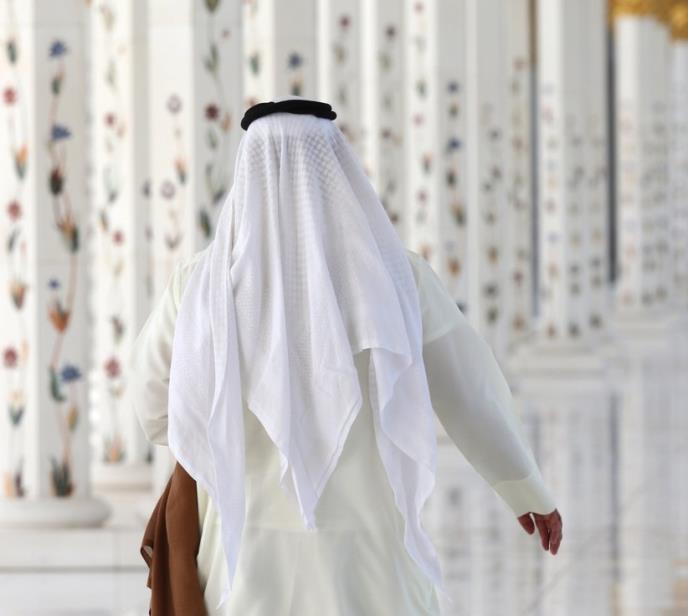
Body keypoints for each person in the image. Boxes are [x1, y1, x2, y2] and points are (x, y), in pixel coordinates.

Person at [131, 96, 562, 616]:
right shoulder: (398, 278)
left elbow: (152, 410)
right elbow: (470, 392)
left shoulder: (201, 286)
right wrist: (524, 487)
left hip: (242, 565)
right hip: (372, 566)